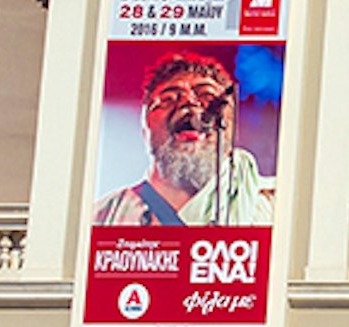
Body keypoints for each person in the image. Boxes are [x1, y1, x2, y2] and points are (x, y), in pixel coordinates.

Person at [92, 50, 269, 228]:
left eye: (207, 96)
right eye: (168, 99)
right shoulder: (102, 217)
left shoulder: (275, 207)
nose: (188, 102)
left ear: (232, 123)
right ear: (145, 125)